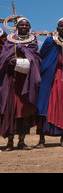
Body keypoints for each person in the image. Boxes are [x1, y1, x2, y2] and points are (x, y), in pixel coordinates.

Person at [0, 18, 41, 150]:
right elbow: (3, 57)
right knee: (10, 109)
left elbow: (37, 59)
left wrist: (27, 56)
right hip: (11, 80)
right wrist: (11, 61)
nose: (24, 26)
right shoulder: (10, 40)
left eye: (26, 25)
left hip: (26, 81)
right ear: (17, 27)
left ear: (29, 28)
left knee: (25, 110)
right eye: (21, 25)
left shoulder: (33, 41)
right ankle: (10, 142)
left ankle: (22, 141)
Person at [36, 18, 63, 147]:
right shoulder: (50, 41)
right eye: (62, 26)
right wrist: (48, 71)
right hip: (51, 78)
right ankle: (42, 139)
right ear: (57, 28)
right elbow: (42, 57)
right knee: (47, 104)